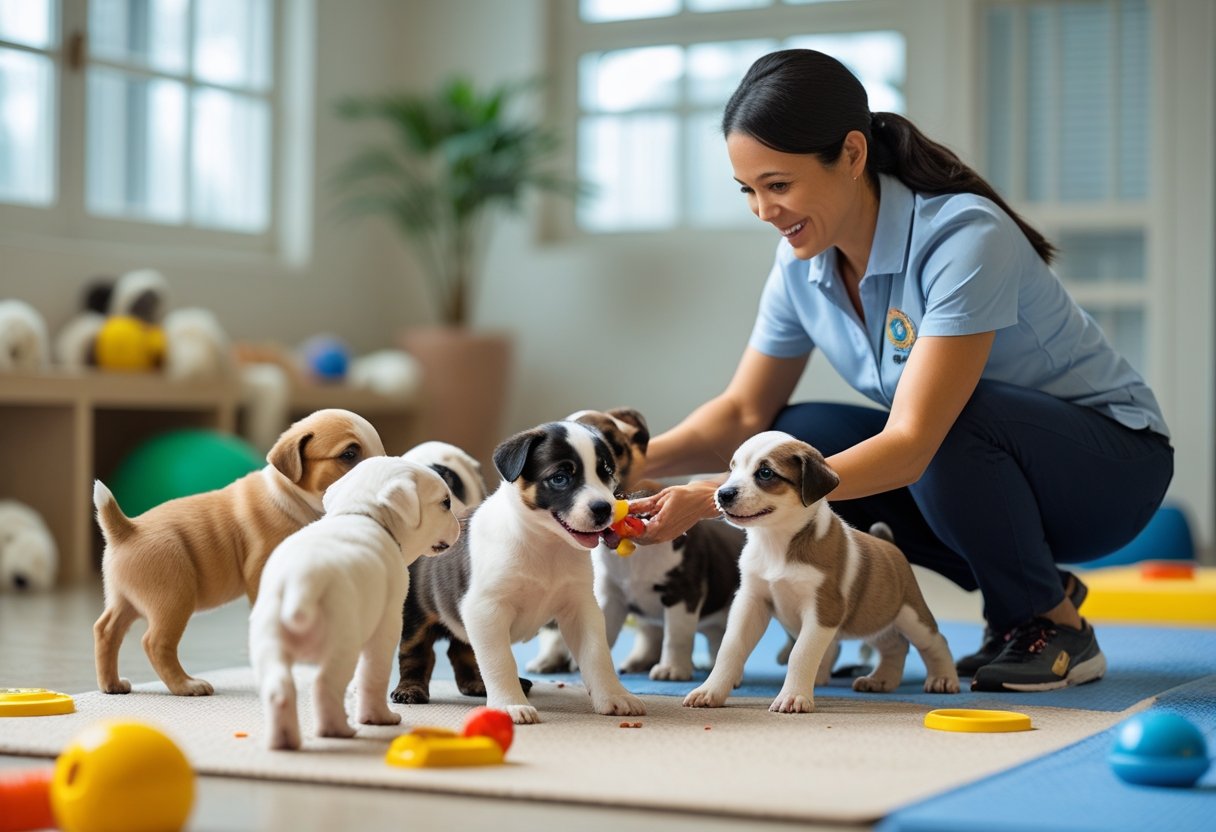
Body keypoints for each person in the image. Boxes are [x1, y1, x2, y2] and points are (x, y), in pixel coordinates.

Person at [628, 49, 1174, 692]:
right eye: (748, 190)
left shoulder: (963, 236)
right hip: (986, 463)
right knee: (798, 431)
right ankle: (1029, 592)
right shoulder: (801, 262)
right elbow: (746, 413)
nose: (763, 212)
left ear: (853, 155)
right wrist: (621, 470)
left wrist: (708, 499)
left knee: (945, 422)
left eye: (779, 185)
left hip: (1109, 470)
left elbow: (915, 442)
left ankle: (1054, 623)